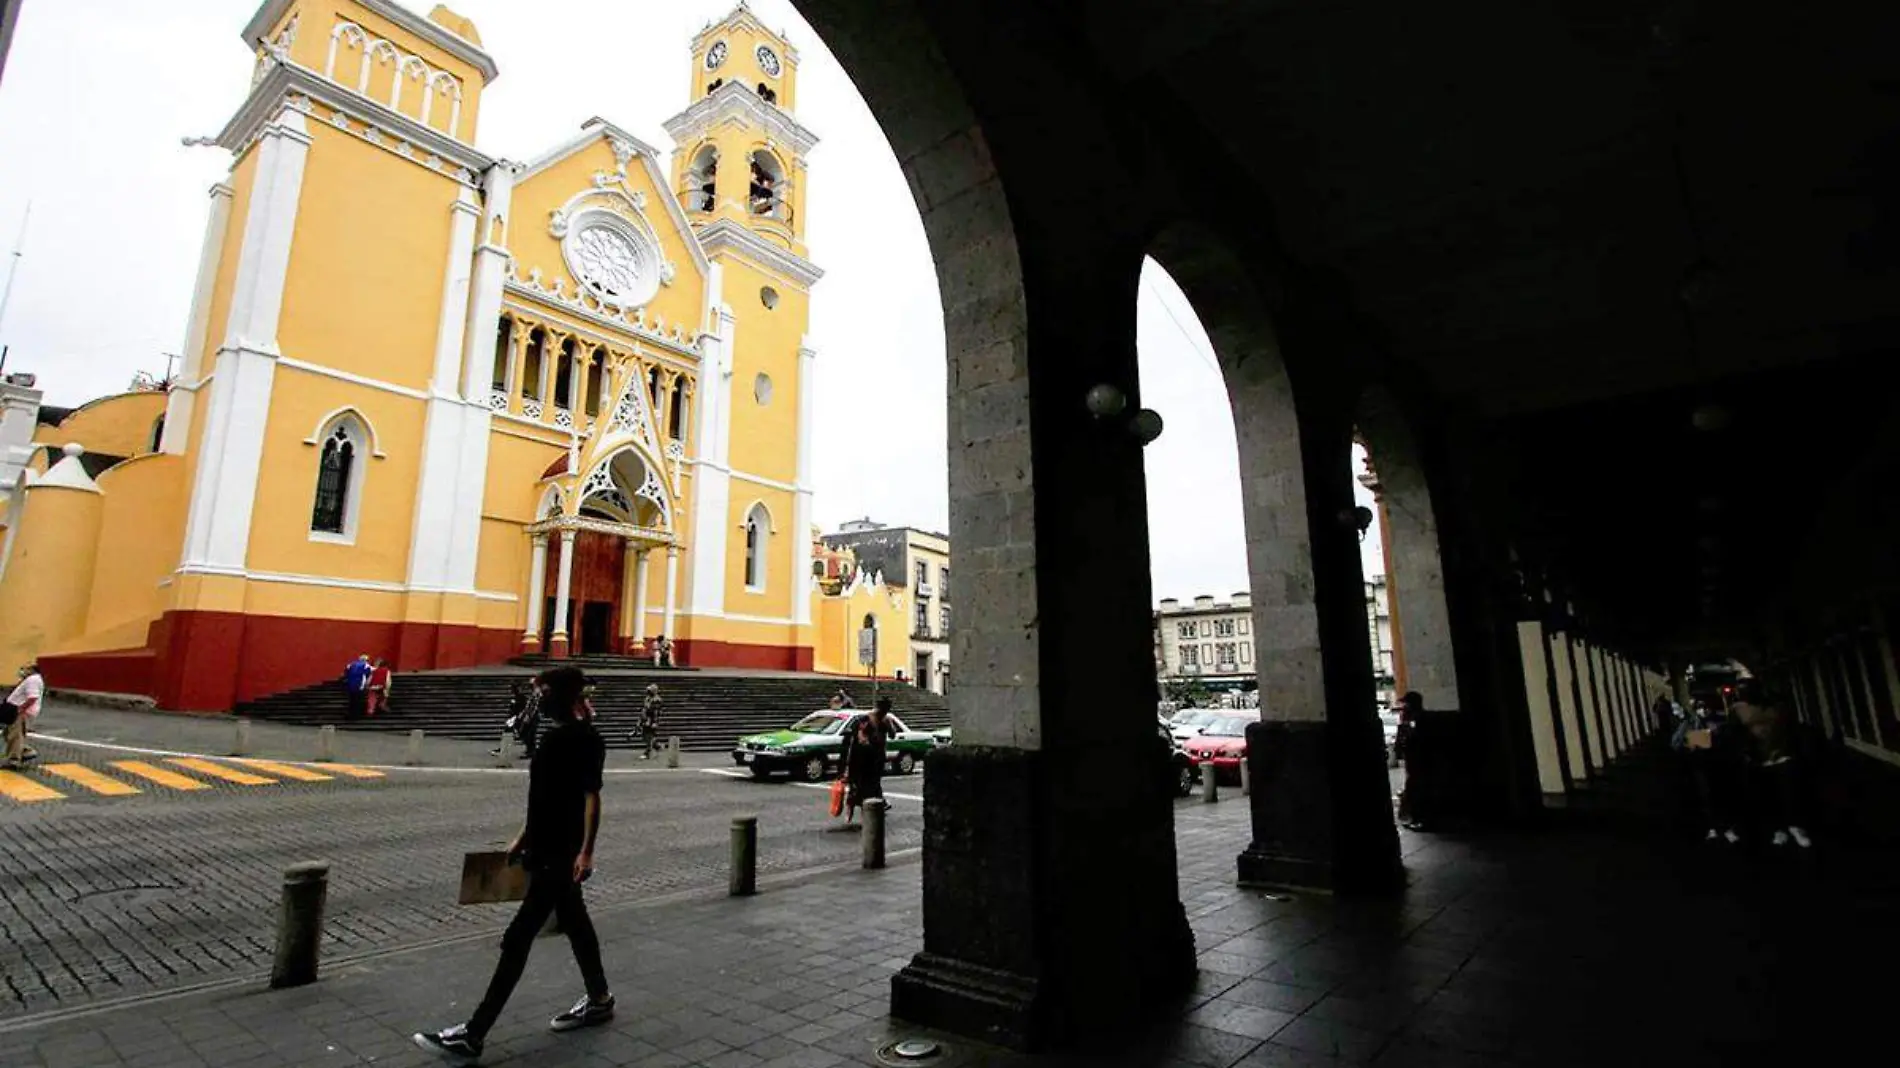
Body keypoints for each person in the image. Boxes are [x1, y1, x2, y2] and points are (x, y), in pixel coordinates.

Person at [416, 667, 614, 1063]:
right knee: (577, 925)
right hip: (548, 849)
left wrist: (586, 852)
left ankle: (473, 1034)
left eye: (541, 694)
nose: (535, 701)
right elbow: (547, 799)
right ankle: (599, 998)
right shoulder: (567, 737)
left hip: (558, 856)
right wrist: (522, 838)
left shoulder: (574, 740)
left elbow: (591, 798)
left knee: (517, 939)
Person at [1733, 681, 1812, 848]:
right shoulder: (1769, 710)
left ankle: (1789, 827)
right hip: (1767, 757)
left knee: (1781, 795)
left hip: (1775, 756)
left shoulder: (1751, 712)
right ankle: (1785, 828)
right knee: (1777, 795)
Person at [839, 698, 889, 828]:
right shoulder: (865, 720)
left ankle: (867, 814)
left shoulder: (885, 720)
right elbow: (860, 739)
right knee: (857, 787)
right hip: (861, 760)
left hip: (875, 760)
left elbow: (893, 734)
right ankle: (851, 812)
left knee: (871, 788)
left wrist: (888, 725)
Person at [3, 663, 44, 769]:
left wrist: (20, 709)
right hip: (16, 711)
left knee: (15, 735)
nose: (22, 671)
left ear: (32, 670)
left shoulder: (32, 680)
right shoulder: (32, 680)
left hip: (20, 712)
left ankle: (14, 760)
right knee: (8, 733)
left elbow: (32, 697)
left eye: (25, 669)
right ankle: (24, 751)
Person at [342, 654, 372, 720]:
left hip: (350, 685)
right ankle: (356, 716)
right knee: (358, 701)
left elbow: (346, 673)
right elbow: (369, 674)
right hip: (360, 686)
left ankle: (350, 715)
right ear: (366, 660)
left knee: (352, 701)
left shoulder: (351, 664)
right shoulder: (366, 666)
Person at [636, 683, 661, 759]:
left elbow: (656, 712)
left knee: (649, 736)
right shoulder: (647, 698)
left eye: (649, 690)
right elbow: (644, 708)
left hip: (651, 719)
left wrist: (654, 722)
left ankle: (647, 752)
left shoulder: (657, 700)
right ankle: (656, 746)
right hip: (645, 718)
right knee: (645, 735)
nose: (648, 691)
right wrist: (640, 720)